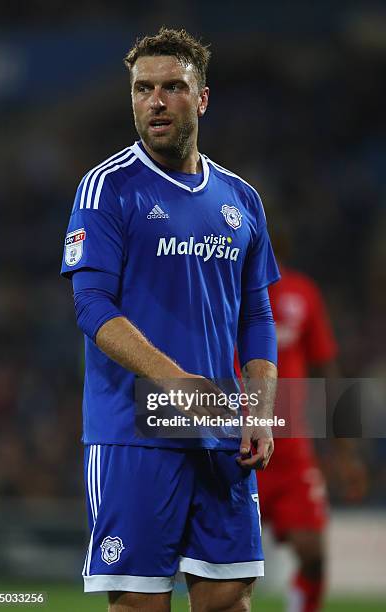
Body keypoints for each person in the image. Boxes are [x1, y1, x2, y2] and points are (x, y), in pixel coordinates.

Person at [61, 28, 280, 612]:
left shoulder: (241, 200)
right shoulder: (107, 189)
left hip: (221, 432)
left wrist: (258, 410)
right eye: (143, 89)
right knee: (138, 605)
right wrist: (178, 385)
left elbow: (257, 316)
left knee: (229, 600)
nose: (156, 101)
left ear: (201, 98)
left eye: (172, 87)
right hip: (134, 434)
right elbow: (91, 308)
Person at [244, 248, 366, 612]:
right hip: (238, 449)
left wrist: (346, 452)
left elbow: (327, 370)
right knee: (222, 571)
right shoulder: (223, 287)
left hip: (293, 456)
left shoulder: (302, 292)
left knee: (313, 552)